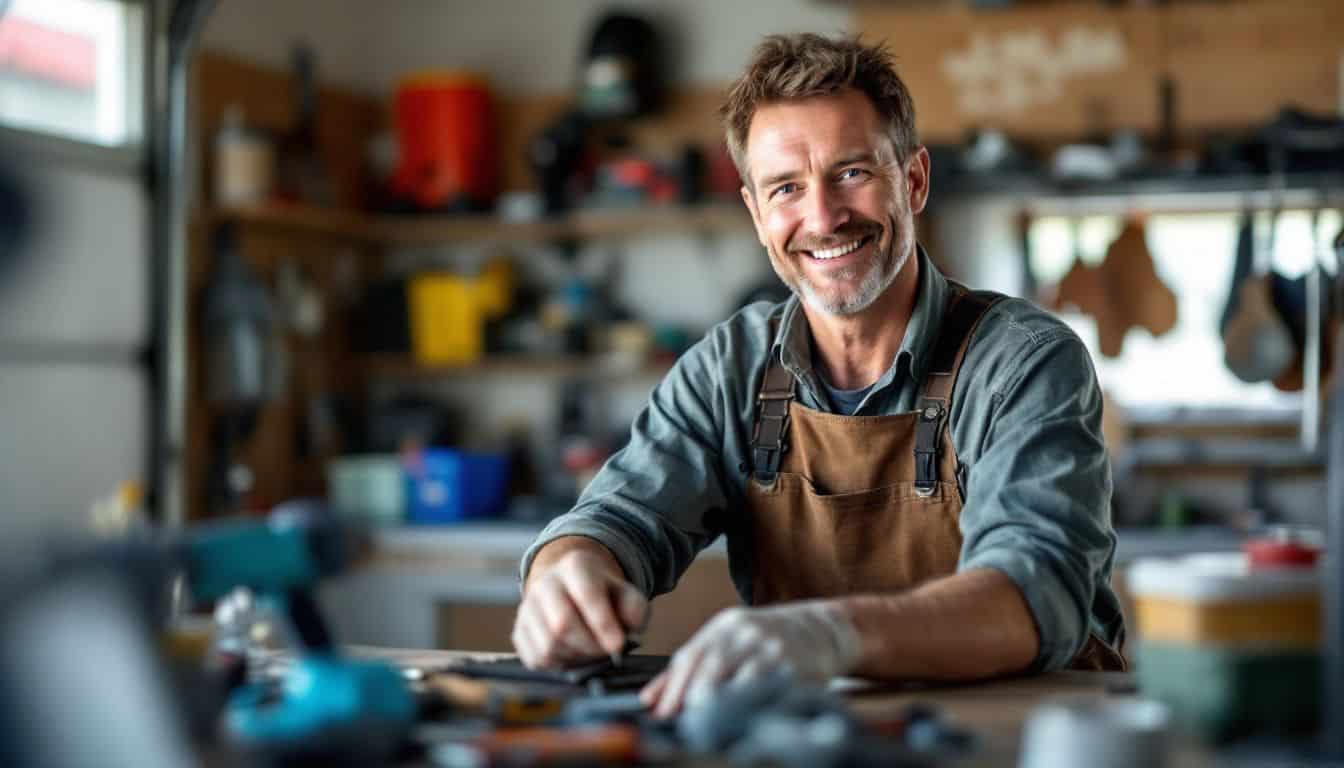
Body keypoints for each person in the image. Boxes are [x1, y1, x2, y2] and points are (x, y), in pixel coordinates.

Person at [511, 33, 1126, 718]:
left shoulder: (1023, 363)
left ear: (914, 180)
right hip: (817, 739)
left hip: (1025, 741)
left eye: (853, 172)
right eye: (786, 188)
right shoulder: (730, 369)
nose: (823, 216)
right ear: (755, 213)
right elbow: (618, 516)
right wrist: (568, 569)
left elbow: (1035, 589)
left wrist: (833, 632)